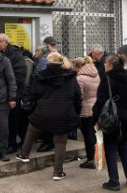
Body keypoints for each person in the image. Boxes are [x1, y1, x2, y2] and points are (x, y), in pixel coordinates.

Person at [16, 53, 81, 181]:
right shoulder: (70, 77)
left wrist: (31, 106)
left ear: (48, 62)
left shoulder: (40, 76)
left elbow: (33, 94)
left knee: (32, 129)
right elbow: (77, 96)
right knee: (60, 142)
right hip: (64, 113)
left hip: (43, 112)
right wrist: (76, 112)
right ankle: (57, 172)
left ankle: (24, 154)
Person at [93, 54, 127, 191]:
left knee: (111, 148)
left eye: (106, 63)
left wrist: (97, 119)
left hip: (112, 118)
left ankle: (114, 181)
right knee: (124, 146)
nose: (104, 65)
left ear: (111, 65)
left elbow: (100, 101)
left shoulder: (107, 79)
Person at [0, 33, 28, 154]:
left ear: (6, 42)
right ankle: (7, 143)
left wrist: (8, 87)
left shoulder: (15, 54)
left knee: (13, 120)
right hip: (1, 94)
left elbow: (20, 75)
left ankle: (13, 144)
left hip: (14, 93)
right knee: (4, 121)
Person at [72, 56, 100, 169]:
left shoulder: (80, 78)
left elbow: (79, 96)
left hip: (85, 109)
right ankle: (97, 157)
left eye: (74, 67)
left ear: (79, 67)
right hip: (95, 107)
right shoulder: (96, 74)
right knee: (93, 133)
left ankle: (90, 159)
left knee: (88, 135)